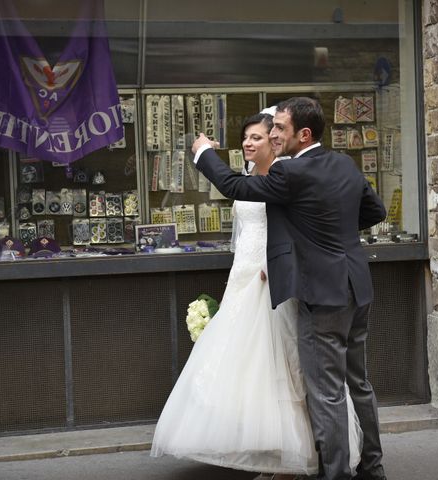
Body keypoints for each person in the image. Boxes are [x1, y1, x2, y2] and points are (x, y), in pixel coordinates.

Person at [151, 112, 362, 479]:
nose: (249, 143)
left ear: (275, 142)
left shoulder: (285, 176)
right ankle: (268, 453)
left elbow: (298, 228)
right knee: (247, 368)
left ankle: (291, 458)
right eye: (246, 137)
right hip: (243, 275)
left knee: (283, 366)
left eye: (259, 137)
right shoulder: (253, 177)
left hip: (271, 278)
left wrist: (278, 262)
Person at [191, 97, 387, 480]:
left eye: (280, 128)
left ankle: (336, 475)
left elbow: (233, 184)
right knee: (358, 383)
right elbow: (374, 211)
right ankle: (373, 467)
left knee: (326, 391)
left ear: (304, 134)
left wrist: (203, 155)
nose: (274, 133)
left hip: (322, 295)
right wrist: (332, 236)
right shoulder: (344, 164)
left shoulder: (291, 173)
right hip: (356, 286)